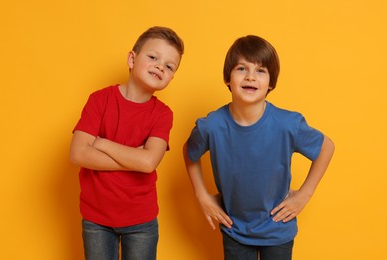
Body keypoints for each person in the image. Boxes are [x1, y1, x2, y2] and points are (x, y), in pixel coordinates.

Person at [183, 35, 334, 260]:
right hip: (235, 229)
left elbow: (326, 147)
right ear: (228, 78)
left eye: (261, 70)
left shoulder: (287, 124)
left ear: (271, 82)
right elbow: (189, 151)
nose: (251, 77)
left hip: (277, 229)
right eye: (242, 68)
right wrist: (202, 195)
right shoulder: (212, 125)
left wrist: (304, 194)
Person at [70, 26, 184, 260]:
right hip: (96, 217)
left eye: (169, 66)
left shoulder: (163, 114)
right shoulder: (100, 100)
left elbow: (148, 163)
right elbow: (78, 154)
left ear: (172, 77)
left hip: (141, 220)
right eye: (153, 57)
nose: (160, 66)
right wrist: (136, 157)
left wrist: (102, 143)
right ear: (132, 59)